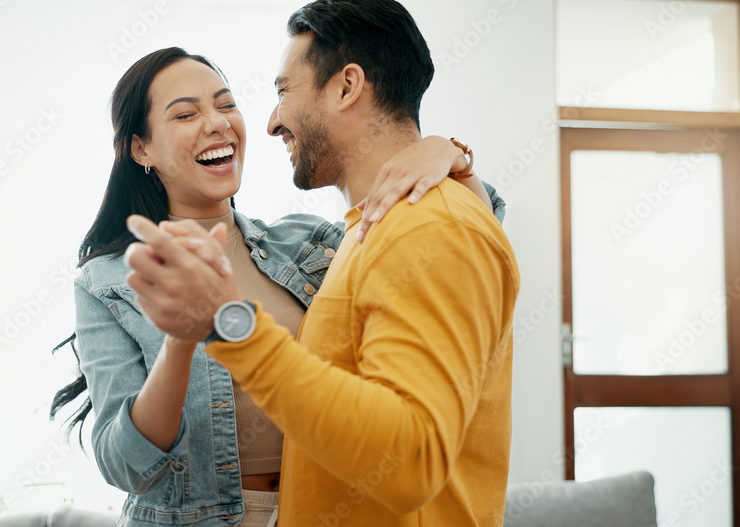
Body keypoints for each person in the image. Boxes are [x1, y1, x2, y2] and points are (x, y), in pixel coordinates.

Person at [49, 44, 504, 526]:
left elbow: (472, 228)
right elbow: (125, 464)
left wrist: (444, 150)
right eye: (186, 114)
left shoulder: (308, 244)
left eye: (226, 105)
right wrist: (182, 340)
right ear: (142, 148)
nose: (217, 123)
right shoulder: (107, 281)